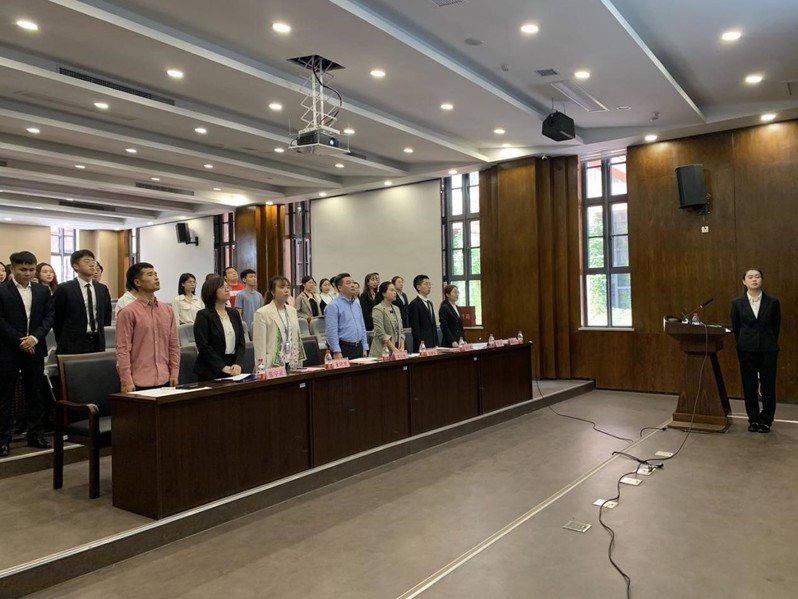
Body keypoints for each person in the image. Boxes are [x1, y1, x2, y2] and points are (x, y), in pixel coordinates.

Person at [0, 251, 55, 455]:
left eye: (31, 269)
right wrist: (21, 340)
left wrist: (35, 338)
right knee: (4, 395)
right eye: (23, 269)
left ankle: (36, 434)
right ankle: (3, 438)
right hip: (8, 349)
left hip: (35, 347)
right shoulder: (2, 290)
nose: (28, 273)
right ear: (12, 268)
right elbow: (0, 321)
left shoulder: (42, 291)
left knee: (35, 393)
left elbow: (49, 317)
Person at [116, 263, 180, 392]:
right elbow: (123, 349)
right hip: (138, 381)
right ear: (138, 282)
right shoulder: (128, 312)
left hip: (165, 378)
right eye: (150, 275)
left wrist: (174, 372)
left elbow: (174, 344)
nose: (156, 278)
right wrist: (126, 381)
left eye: (156, 274)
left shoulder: (167, 310)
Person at [731, 268, 781, 433]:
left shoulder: (772, 302)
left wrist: (768, 341)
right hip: (746, 349)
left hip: (768, 349)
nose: (754, 280)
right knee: (749, 385)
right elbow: (736, 327)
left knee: (768, 386)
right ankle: (753, 419)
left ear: (762, 280)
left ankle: (766, 420)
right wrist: (745, 342)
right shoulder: (737, 303)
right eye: (750, 277)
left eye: (757, 277)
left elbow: (776, 326)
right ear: (744, 281)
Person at [53, 250, 113, 355]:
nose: (92, 264)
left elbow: (106, 314)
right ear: (76, 266)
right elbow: (57, 318)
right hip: (72, 342)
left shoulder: (102, 289)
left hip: (97, 341)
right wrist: (63, 340)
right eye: (86, 261)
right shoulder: (65, 289)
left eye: (93, 261)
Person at [193, 277, 246, 380]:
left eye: (227, 287)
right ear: (212, 291)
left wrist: (238, 364)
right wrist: (222, 366)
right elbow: (203, 346)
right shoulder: (203, 315)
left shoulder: (234, 313)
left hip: (234, 368)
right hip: (211, 370)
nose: (227, 289)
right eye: (222, 287)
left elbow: (241, 342)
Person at [253, 275, 306, 370]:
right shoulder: (262, 313)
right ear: (272, 291)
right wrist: (261, 369)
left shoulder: (292, 311)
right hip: (272, 364)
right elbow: (259, 345)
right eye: (282, 287)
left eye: (288, 287)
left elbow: (296, 337)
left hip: (292, 361)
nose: (286, 290)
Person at [325, 273, 369, 360]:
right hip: (344, 348)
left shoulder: (356, 304)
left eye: (353, 282)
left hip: (359, 347)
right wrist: (336, 351)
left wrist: (364, 346)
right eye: (348, 283)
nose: (352, 285)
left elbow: (362, 326)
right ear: (340, 288)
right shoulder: (333, 306)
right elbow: (331, 331)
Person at [369, 281, 405, 358]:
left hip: (397, 348)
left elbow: (401, 331)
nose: (394, 292)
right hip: (382, 351)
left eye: (395, 290)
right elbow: (381, 333)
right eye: (391, 290)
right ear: (383, 293)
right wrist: (394, 349)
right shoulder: (378, 309)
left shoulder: (396, 309)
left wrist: (402, 348)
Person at [408, 274, 438, 352]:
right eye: (426, 284)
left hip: (433, 344)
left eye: (430, 284)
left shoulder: (430, 303)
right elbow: (415, 328)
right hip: (422, 345)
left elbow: (433, 325)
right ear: (418, 287)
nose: (429, 286)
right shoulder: (414, 304)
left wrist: (436, 343)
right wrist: (420, 345)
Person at [235, 269, 263, 336]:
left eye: (254, 276)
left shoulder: (259, 295)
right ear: (244, 280)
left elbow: (262, 312)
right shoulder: (240, 295)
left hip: (258, 328)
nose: (254, 278)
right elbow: (238, 313)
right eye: (251, 277)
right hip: (245, 330)